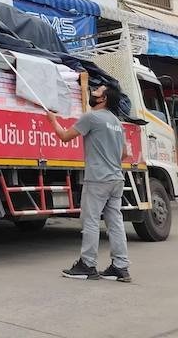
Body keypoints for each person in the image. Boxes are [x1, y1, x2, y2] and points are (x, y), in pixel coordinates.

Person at [47, 84, 131, 282]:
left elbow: (65, 137)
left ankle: (87, 265)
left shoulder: (91, 117)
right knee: (115, 223)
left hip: (97, 179)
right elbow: (125, 154)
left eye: (97, 91)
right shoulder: (117, 122)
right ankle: (120, 267)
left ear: (103, 99)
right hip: (116, 179)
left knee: (90, 221)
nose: (93, 92)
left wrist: (53, 121)